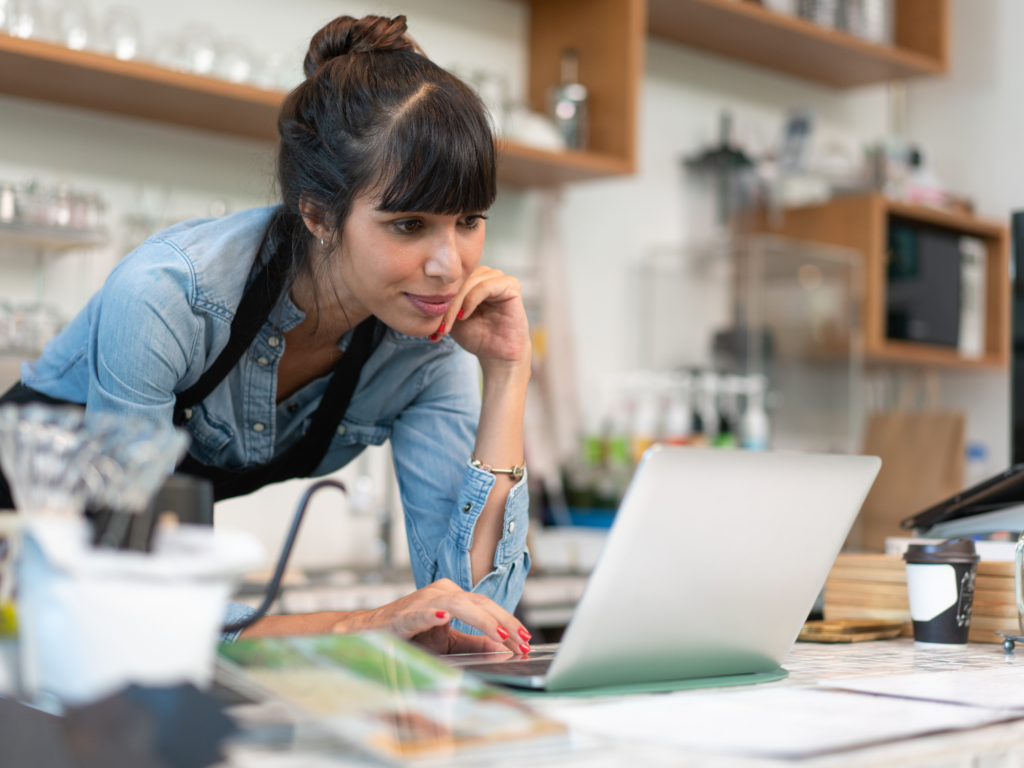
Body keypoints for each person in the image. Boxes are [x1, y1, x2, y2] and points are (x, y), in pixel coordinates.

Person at [2, 14, 533, 656]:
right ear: (317, 213)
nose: (450, 266)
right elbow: (131, 591)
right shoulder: (170, 296)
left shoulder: (425, 341)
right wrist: (355, 624)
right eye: (409, 224)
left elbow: (479, 621)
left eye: (470, 220)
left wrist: (506, 375)